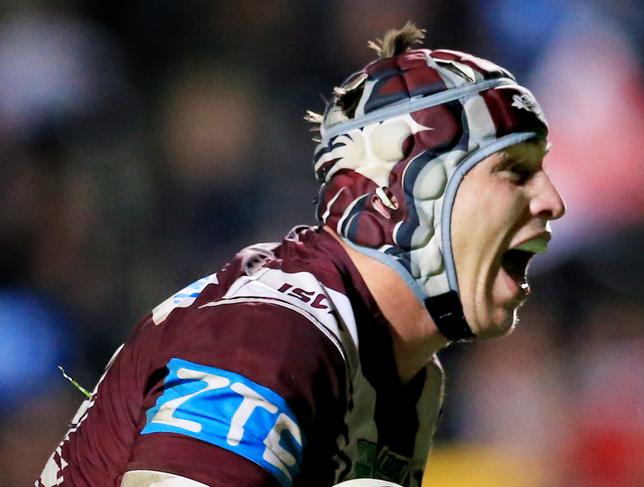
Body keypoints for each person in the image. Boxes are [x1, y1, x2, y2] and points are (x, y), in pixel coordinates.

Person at [37, 22, 565, 487]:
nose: (552, 201)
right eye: (515, 170)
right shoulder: (272, 335)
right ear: (405, 186)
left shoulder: (412, 377)